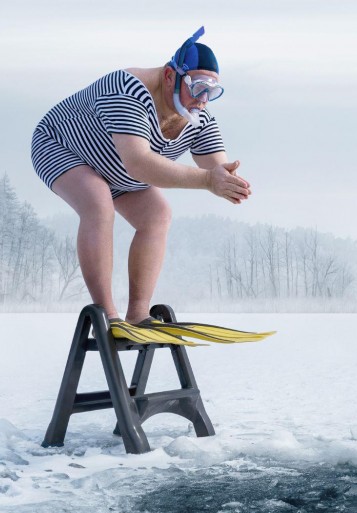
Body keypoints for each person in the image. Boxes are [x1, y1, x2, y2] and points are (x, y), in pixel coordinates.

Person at [30, 27, 250, 330]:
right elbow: (139, 164)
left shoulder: (198, 115)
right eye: (198, 86)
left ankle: (138, 314)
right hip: (61, 146)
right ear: (171, 76)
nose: (203, 99)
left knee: (158, 215)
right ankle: (107, 316)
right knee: (98, 203)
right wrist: (207, 181)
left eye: (212, 91)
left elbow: (217, 168)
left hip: (116, 167)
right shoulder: (128, 89)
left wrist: (227, 181)